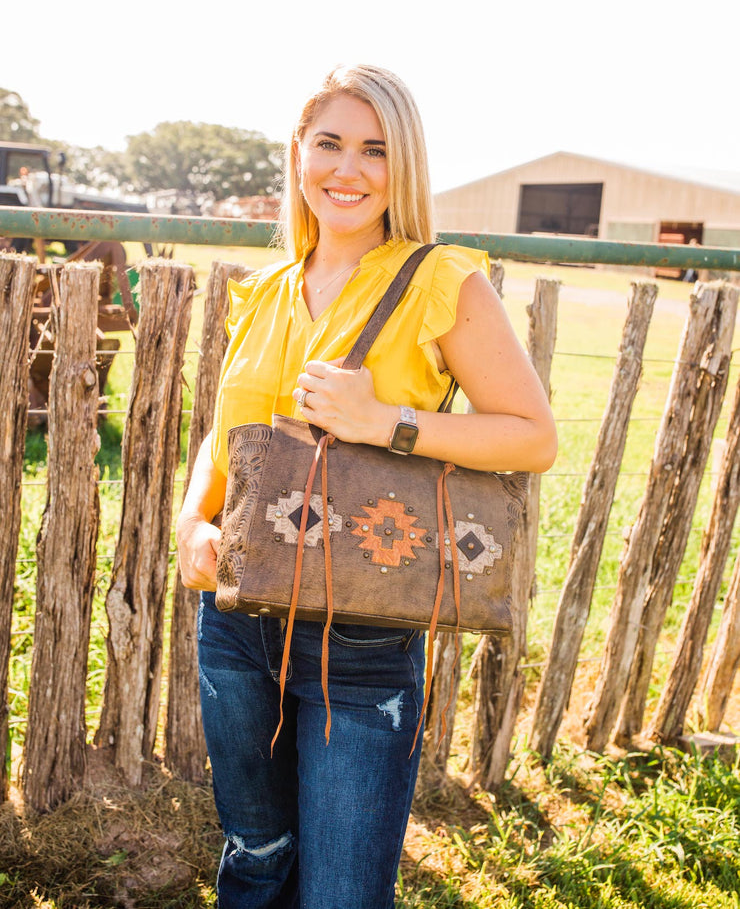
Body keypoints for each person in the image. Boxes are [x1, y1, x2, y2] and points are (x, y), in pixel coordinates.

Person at [176, 63, 557, 909]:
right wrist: (188, 521)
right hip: (234, 624)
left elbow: (533, 438)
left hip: (362, 633)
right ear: (299, 155)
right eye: (330, 144)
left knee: (342, 893)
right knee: (253, 856)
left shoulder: (438, 281)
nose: (348, 170)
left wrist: (386, 422)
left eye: (375, 150)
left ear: (404, 166)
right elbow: (227, 429)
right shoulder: (267, 290)